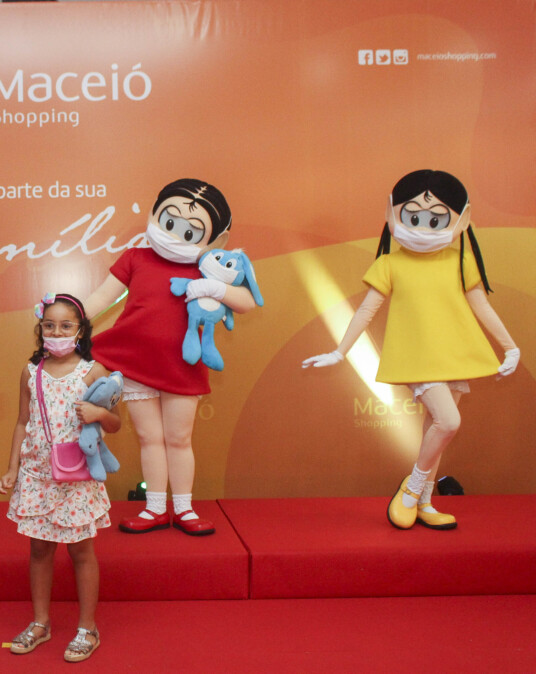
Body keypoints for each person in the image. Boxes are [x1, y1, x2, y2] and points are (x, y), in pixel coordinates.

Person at [303, 170, 520, 530]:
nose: (422, 226)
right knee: (449, 422)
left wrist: (510, 347)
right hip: (418, 358)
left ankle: (424, 504)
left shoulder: (460, 261)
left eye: (435, 219)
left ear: (462, 218)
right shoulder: (390, 263)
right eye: (413, 216)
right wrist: (340, 351)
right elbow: (366, 311)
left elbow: (481, 306)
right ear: (392, 213)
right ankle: (411, 488)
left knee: (434, 431)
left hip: (455, 354)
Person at [83, 179, 258, 535]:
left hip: (182, 366)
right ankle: (155, 509)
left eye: (190, 231)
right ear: (154, 213)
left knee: (178, 439)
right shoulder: (135, 257)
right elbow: (101, 298)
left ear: (216, 239)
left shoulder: (209, 266)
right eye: (169, 221)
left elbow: (246, 302)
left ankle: (184, 509)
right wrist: (66, 320)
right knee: (149, 438)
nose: (176, 234)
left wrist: (215, 286)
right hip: (134, 364)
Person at [0, 293, 120, 663]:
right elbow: (22, 422)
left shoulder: (93, 372)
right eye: (49, 325)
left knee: (81, 550)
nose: (57, 332)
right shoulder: (30, 372)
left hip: (77, 476)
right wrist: (12, 469)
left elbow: (116, 423)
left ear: (81, 330)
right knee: (39, 549)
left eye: (66, 326)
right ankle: (40, 623)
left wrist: (99, 414)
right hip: (37, 474)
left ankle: (88, 628)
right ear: (41, 329)